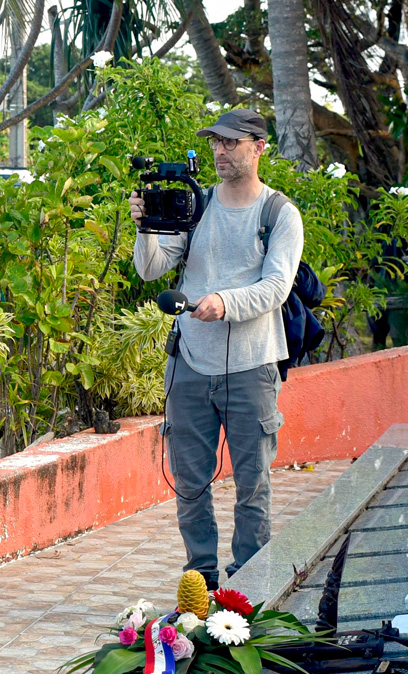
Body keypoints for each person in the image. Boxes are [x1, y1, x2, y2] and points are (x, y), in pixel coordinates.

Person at [130, 108, 303, 591]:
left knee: (252, 484)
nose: (220, 151)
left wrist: (224, 303)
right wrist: (145, 228)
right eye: (215, 143)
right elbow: (151, 269)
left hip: (252, 366)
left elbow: (276, 288)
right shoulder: (198, 204)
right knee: (189, 482)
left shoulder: (279, 214)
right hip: (188, 362)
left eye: (231, 142)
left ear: (259, 147)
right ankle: (200, 585)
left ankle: (249, 590)